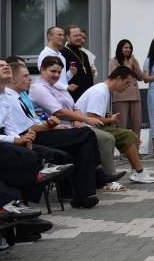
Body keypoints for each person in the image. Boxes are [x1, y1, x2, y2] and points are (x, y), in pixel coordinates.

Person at [0, 60, 102, 208]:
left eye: (59, 72)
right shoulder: (25, 93)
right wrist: (47, 128)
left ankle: (81, 194)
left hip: (27, 135)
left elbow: (19, 124)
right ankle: (97, 175)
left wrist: (51, 125)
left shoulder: (18, 96)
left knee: (82, 144)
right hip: (31, 135)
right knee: (86, 133)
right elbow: (29, 127)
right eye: (26, 76)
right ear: (14, 79)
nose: (30, 79)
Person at [30, 56, 128, 191]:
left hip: (68, 127)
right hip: (50, 130)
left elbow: (74, 107)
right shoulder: (38, 88)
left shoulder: (59, 87)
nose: (56, 75)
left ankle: (84, 192)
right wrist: (85, 119)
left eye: (59, 72)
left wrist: (77, 119)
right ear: (42, 69)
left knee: (86, 143)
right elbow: (59, 112)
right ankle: (99, 177)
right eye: (53, 71)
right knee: (93, 136)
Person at [75, 68, 154, 183]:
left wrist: (109, 119)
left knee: (131, 135)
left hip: (91, 126)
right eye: (126, 83)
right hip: (86, 127)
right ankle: (138, 172)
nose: (127, 86)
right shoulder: (100, 91)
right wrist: (110, 120)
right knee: (126, 135)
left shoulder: (104, 90)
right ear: (118, 78)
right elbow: (92, 118)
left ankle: (137, 171)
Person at [109, 39, 144, 138]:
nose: (128, 49)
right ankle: (123, 152)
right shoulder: (114, 61)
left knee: (137, 123)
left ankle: (135, 149)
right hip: (120, 95)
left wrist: (135, 65)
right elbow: (116, 76)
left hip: (135, 96)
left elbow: (141, 77)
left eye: (129, 48)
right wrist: (129, 66)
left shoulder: (133, 60)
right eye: (125, 47)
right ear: (120, 48)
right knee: (121, 125)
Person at [61, 25, 95, 102]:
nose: (79, 38)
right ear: (68, 37)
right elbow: (61, 77)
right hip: (73, 96)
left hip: (87, 94)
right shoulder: (63, 54)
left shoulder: (84, 54)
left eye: (80, 35)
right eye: (75, 35)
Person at [37, 27, 76, 92]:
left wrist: (70, 73)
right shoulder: (45, 54)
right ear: (50, 37)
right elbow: (46, 78)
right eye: (59, 35)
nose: (63, 37)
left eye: (63, 35)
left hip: (62, 94)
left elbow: (62, 79)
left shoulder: (61, 56)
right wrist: (66, 87)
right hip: (51, 94)